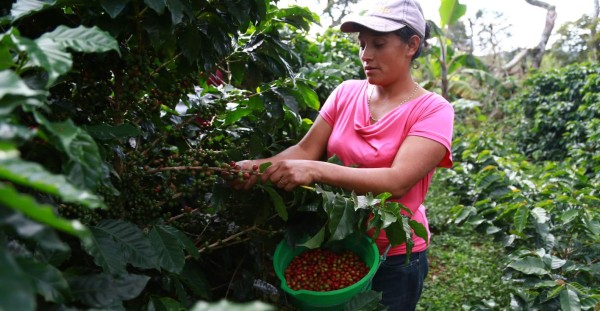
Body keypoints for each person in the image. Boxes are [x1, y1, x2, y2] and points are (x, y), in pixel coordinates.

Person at [234, 0, 454, 309]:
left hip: (393, 257)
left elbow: (398, 180)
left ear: (411, 45)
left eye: (378, 44)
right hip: (336, 243)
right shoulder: (346, 92)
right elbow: (305, 149)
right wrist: (256, 168)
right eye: (362, 44)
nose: (366, 55)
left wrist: (316, 170)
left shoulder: (433, 110)